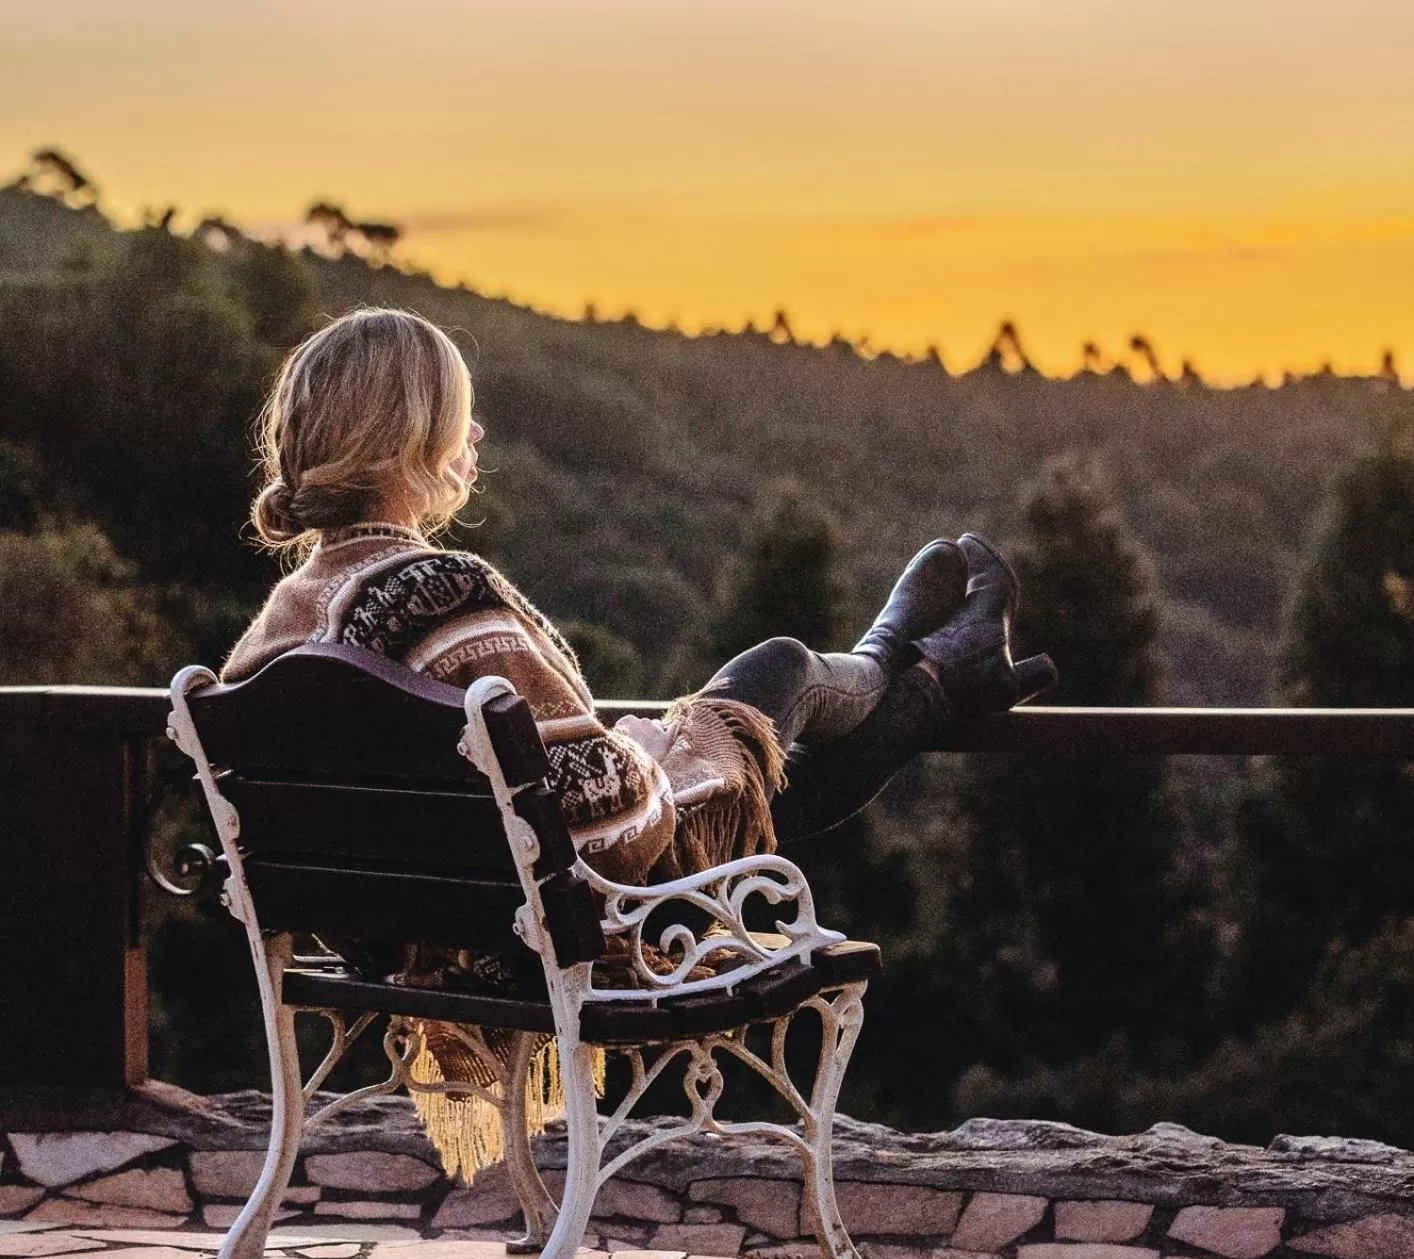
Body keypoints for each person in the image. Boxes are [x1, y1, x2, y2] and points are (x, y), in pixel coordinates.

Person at [225, 307, 1056, 975]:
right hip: (570, 929)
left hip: (408, 933)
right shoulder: (439, 597)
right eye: (462, 418)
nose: (475, 437)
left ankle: (941, 672)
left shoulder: (274, 633)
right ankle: (906, 655)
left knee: (762, 749)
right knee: (781, 671)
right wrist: (653, 747)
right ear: (412, 435)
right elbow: (610, 817)